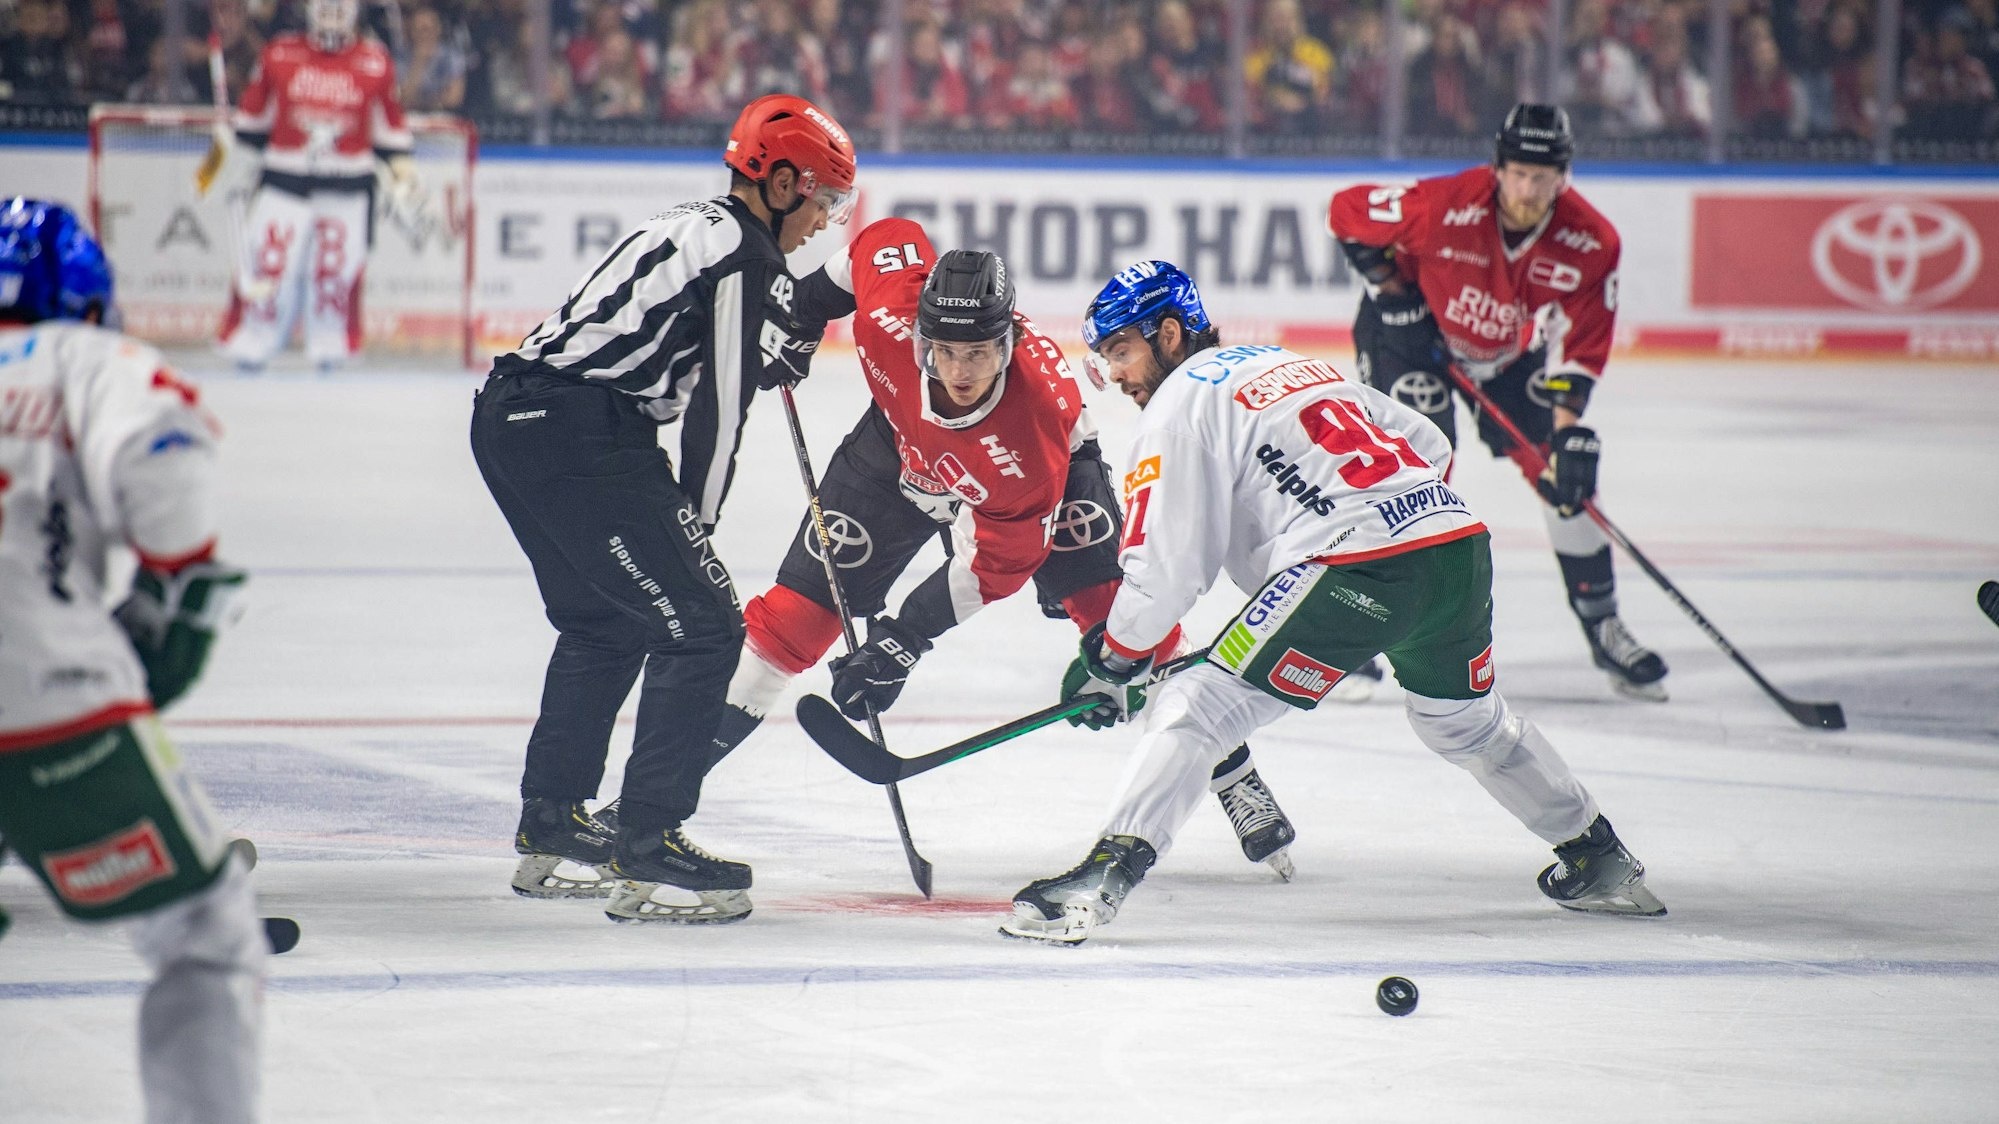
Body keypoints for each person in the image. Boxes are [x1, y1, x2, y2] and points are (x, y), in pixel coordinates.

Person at [999, 260, 1665, 945]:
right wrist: (1373, 530)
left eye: (1119, 350)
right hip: (1453, 550)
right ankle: (1599, 858)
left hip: (1352, 570)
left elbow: (1168, 569)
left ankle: (1098, 883)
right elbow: (1427, 444)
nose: (1113, 373)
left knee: (1195, 704)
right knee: (1464, 725)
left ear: (1169, 334)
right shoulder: (1294, 365)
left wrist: (1113, 656)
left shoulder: (1178, 404)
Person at [711, 217, 1299, 879]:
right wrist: (805, 311)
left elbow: (998, 563)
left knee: (1126, 630)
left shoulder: (1029, 441)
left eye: (980, 354)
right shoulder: (886, 324)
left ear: (1010, 342)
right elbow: (884, 237)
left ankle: (1233, 775)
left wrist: (903, 638)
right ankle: (662, 791)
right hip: (896, 447)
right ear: (920, 337)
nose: (959, 372)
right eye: (944, 351)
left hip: (1037, 470)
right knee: (794, 620)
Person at [470, 94, 856, 925]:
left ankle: (553, 825)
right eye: (822, 198)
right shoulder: (745, 257)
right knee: (706, 624)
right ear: (782, 182)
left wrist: (765, 350)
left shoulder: (696, 224)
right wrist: (696, 525)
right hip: (584, 438)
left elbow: (686, 347)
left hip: (512, 418)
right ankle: (646, 837)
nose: (824, 220)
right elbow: (717, 411)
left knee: (604, 625)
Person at [0, 199, 265, 1118]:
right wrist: (178, 584)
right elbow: (164, 456)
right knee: (207, 933)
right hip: (45, 698)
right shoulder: (77, 357)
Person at [1326, 103, 1669, 702]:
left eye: (1543, 177)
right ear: (1498, 167)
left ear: (1564, 175)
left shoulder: (1592, 241)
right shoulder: (1444, 204)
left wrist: (1565, 435)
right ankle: (1351, 629)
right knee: (1408, 480)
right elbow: (1346, 211)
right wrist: (1389, 289)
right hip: (1409, 342)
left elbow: (1582, 340)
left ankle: (1604, 624)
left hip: (1507, 358)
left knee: (1566, 479)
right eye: (1518, 173)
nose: (1528, 189)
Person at [216, 0, 421, 373]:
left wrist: (405, 177)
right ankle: (253, 340)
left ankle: (332, 345)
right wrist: (226, 153)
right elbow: (252, 121)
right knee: (269, 261)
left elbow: (390, 133)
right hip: (284, 181)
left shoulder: (375, 61)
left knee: (335, 271)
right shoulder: (280, 53)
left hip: (347, 188)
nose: (332, 12)